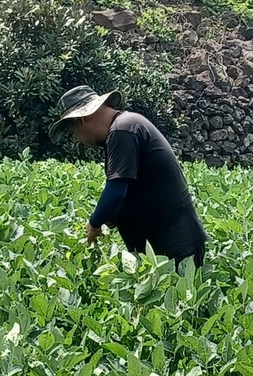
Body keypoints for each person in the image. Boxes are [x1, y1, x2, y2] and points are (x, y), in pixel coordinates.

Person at [48, 85, 207, 270]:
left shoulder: (122, 131)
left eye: (73, 132)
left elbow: (116, 191)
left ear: (82, 119)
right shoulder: (126, 126)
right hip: (167, 247)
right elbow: (134, 189)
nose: (77, 139)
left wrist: (94, 224)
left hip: (174, 248)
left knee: (179, 298)